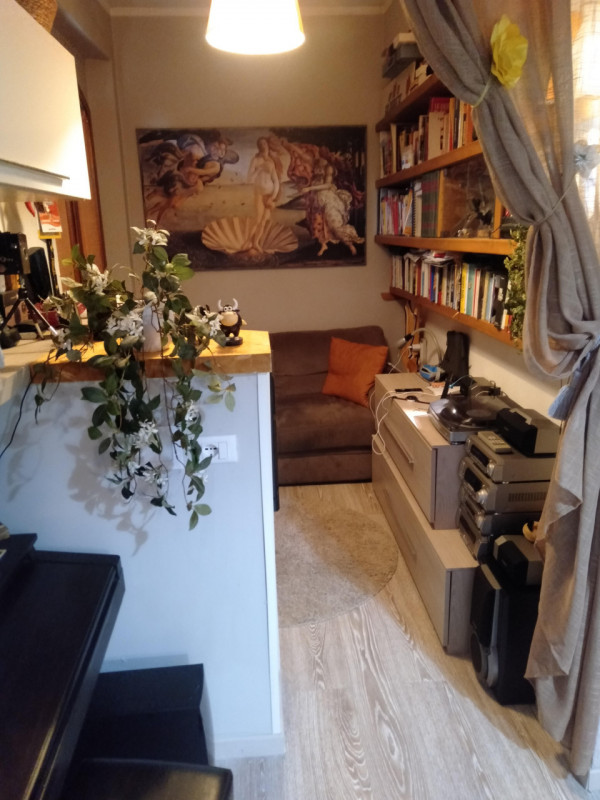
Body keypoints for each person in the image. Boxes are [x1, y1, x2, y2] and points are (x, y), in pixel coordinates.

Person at [301, 163, 365, 256]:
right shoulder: (319, 172)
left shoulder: (328, 174)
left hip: (330, 203)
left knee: (335, 227)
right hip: (320, 204)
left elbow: (327, 185)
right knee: (319, 225)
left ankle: (350, 245)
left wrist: (309, 188)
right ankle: (323, 245)